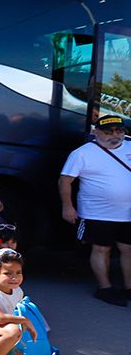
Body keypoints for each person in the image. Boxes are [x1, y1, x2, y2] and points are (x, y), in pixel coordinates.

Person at [59, 113, 131, 306]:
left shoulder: (130, 147)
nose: (114, 135)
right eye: (108, 131)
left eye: (119, 130)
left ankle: (128, 288)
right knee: (102, 248)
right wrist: (68, 207)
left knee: (128, 249)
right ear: (96, 132)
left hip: (128, 212)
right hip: (96, 212)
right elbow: (65, 181)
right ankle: (104, 288)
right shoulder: (82, 153)